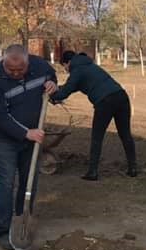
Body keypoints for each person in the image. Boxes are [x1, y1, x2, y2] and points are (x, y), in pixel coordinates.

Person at [0, 44, 57, 250]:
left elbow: (51, 76)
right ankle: (3, 231)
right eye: (10, 69)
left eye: (20, 69)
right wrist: (26, 133)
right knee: (6, 183)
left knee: (29, 182)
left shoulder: (41, 66)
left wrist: (53, 84)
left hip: (32, 138)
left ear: (28, 62)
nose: (15, 73)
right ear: (3, 62)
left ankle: (22, 219)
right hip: (4, 139)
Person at [50, 50, 136, 180]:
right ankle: (133, 168)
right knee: (125, 134)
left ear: (68, 63)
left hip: (105, 101)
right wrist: (57, 90)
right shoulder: (89, 65)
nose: (66, 70)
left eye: (64, 67)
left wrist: (51, 97)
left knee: (97, 137)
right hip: (121, 96)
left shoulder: (77, 70)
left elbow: (65, 91)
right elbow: (70, 87)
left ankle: (93, 172)